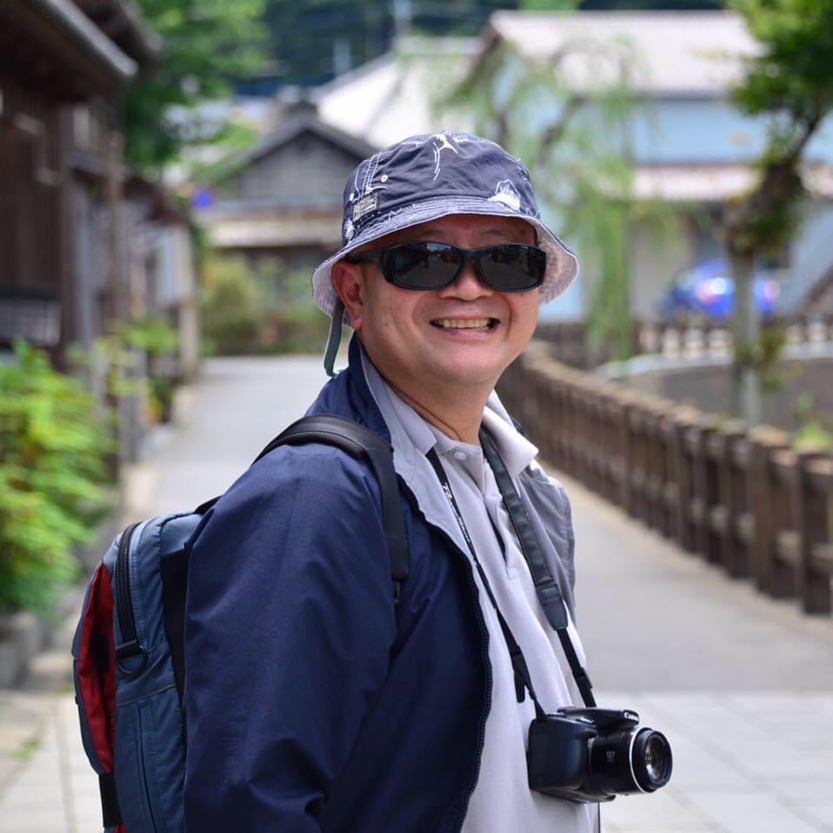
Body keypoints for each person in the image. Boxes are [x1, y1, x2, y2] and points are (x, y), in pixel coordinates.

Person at [184, 131, 598, 832]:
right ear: (354, 292)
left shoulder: (525, 486)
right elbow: (245, 804)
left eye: (506, 259)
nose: (469, 287)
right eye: (424, 258)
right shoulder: (314, 500)